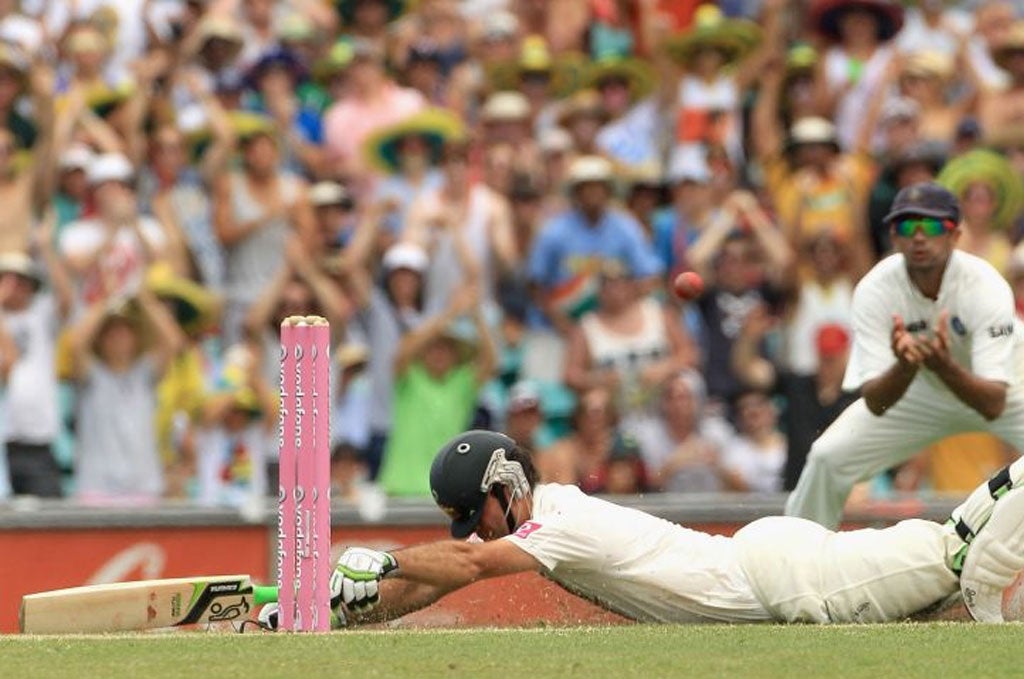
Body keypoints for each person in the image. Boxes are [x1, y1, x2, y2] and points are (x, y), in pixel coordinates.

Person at [315, 429, 1024, 627]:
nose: (474, 533)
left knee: (954, 553)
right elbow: (441, 579)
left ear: (509, 485)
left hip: (780, 581)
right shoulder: (539, 518)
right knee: (952, 561)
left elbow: (463, 568)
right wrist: (350, 613)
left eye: (479, 515)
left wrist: (380, 562)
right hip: (767, 568)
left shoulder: (559, 521)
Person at [786, 182, 1024, 530]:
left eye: (930, 226)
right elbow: (876, 402)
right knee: (827, 458)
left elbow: (993, 403)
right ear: (894, 237)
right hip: (920, 392)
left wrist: (944, 367)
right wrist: (905, 366)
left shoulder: (985, 285)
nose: (918, 237)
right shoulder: (874, 289)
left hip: (1008, 384)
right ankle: (793, 558)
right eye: (906, 227)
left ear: (955, 235)